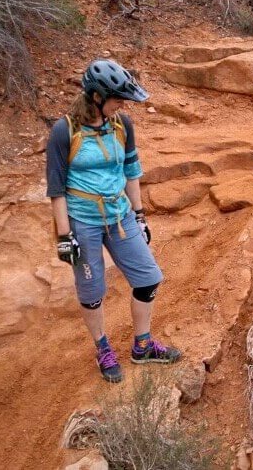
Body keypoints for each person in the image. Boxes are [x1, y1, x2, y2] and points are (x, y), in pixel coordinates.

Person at [46, 59, 181, 383]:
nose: (124, 105)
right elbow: (56, 189)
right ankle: (103, 347)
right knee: (92, 291)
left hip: (120, 216)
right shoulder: (65, 130)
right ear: (96, 97)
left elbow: (131, 173)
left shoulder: (122, 126)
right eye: (118, 98)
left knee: (149, 278)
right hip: (84, 221)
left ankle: (143, 346)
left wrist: (140, 215)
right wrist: (65, 236)